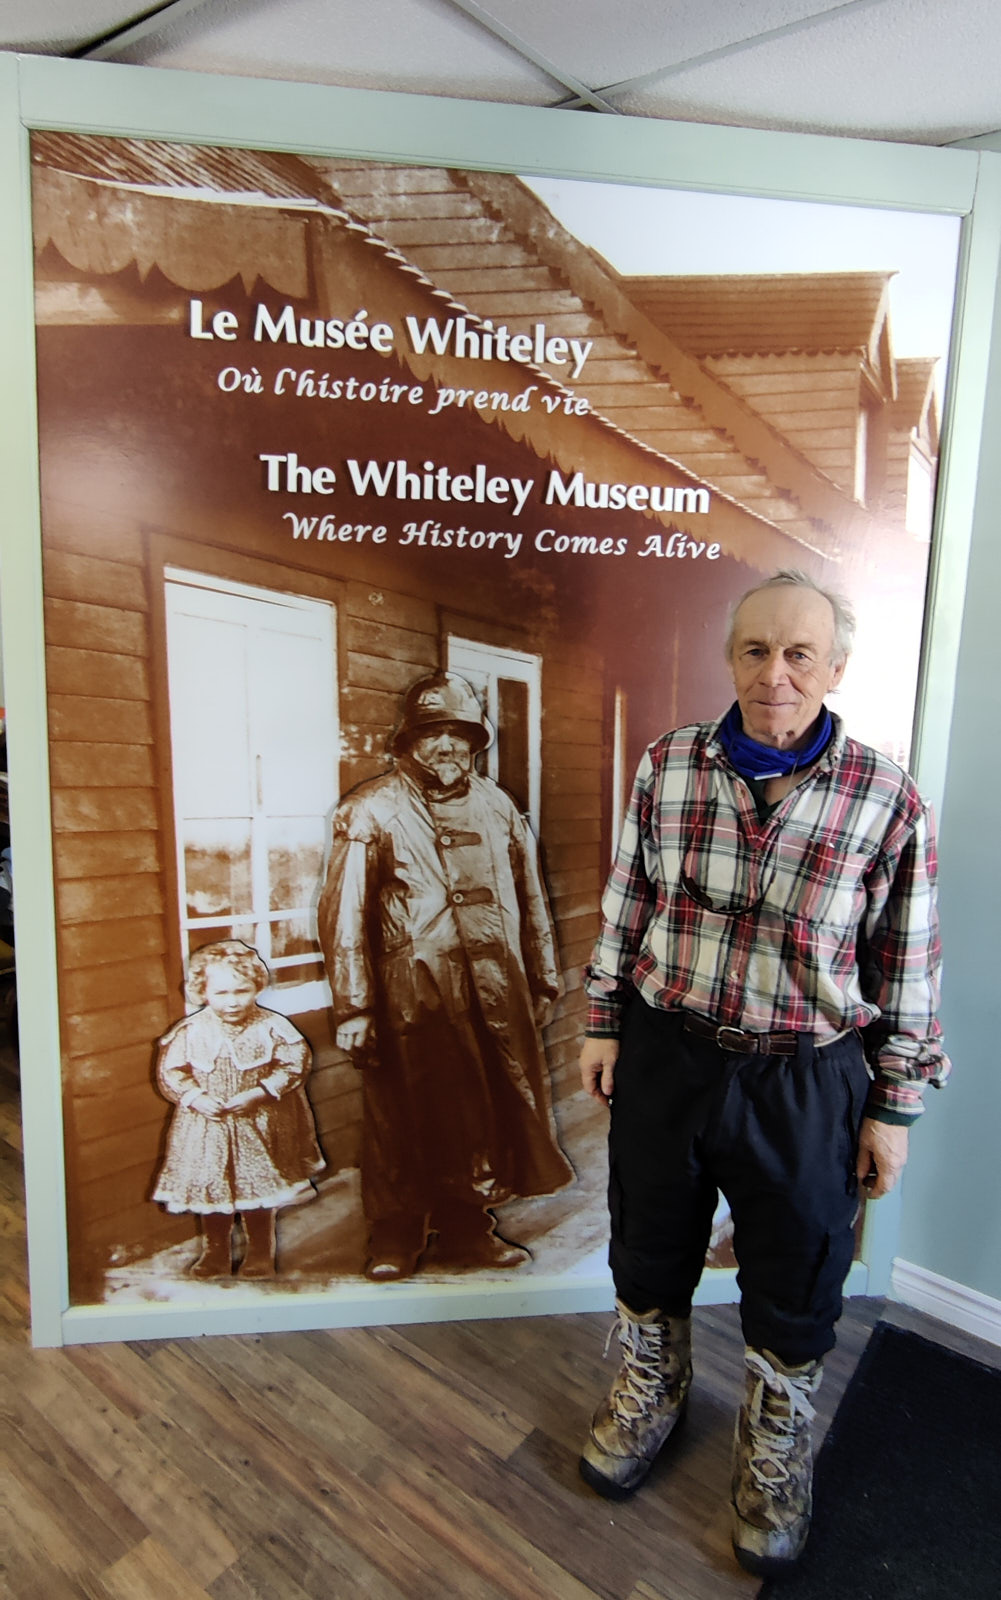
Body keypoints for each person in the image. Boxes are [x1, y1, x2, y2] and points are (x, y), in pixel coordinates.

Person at [578, 569, 949, 1577]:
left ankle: (774, 1438)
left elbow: (905, 966)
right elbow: (626, 901)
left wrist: (893, 1107)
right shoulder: (667, 765)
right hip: (668, 1049)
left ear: (832, 668)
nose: (773, 673)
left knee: (795, 1265)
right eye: (754, 650)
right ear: (728, 656)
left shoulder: (886, 800)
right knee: (647, 1234)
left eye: (797, 654)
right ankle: (651, 1384)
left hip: (805, 1074)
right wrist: (603, 1021)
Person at [317, 669, 573, 1282]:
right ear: (407, 741)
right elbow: (342, 913)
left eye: (460, 732)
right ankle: (394, 1238)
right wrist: (354, 1008)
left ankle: (468, 1232)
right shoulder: (369, 810)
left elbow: (530, 894)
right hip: (411, 999)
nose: (448, 745)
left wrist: (540, 978)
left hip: (494, 990)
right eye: (433, 732)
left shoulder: (497, 805)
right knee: (402, 1118)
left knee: (480, 1111)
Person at [152, 939, 325, 1278]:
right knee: (212, 1187)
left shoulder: (271, 1026)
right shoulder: (191, 1031)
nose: (232, 1002)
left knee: (256, 1191)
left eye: (241, 991)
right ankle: (215, 1252)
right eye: (221, 993)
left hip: (258, 1123)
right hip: (207, 1129)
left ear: (257, 987)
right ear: (203, 992)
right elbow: (171, 1072)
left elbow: (294, 1064)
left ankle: (260, 1252)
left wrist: (260, 1093)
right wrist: (196, 1097)